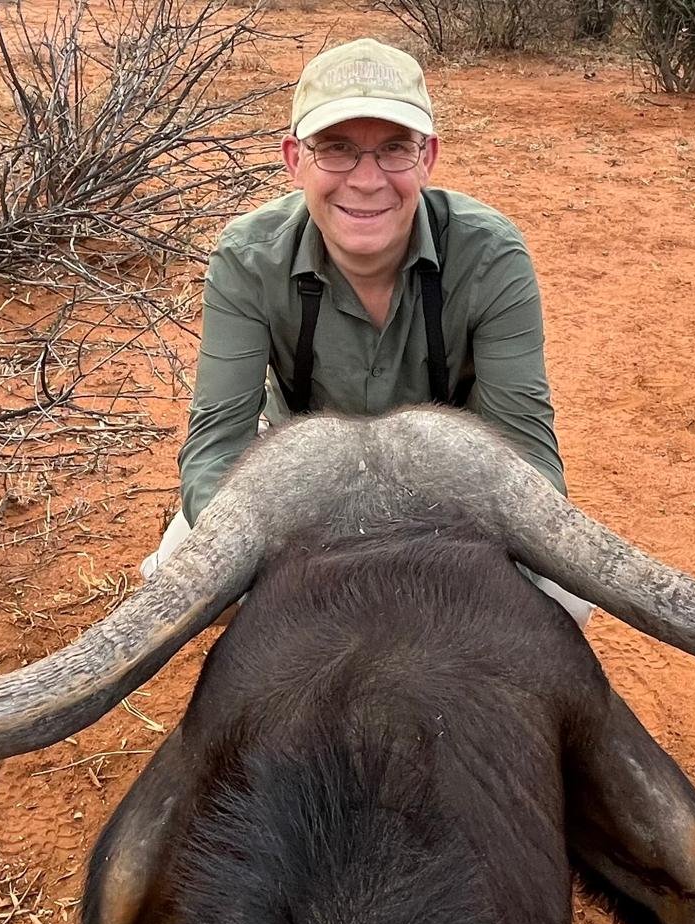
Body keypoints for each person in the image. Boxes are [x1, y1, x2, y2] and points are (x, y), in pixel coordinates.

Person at [142, 37, 592, 627]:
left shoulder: (492, 255)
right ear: (294, 158)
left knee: (565, 602)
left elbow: (529, 455)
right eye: (336, 150)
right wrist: (303, 565)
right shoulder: (248, 256)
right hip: (299, 493)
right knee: (174, 582)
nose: (367, 179)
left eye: (394, 150)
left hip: (450, 500)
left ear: (427, 157)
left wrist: (442, 565)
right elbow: (215, 448)